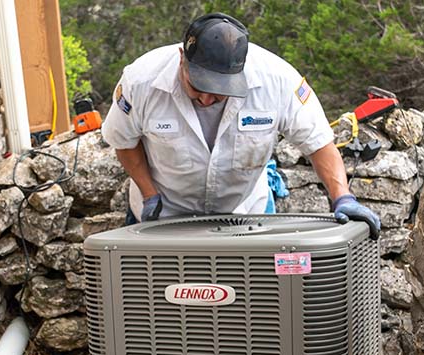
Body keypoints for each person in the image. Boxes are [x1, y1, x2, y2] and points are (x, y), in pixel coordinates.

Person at [101, 12, 381, 239]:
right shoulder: (141, 81)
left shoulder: (277, 80)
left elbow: (319, 143)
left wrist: (342, 197)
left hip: (248, 215)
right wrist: (149, 194)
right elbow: (124, 141)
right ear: (181, 60)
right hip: (164, 218)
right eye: (197, 86)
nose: (207, 98)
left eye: (219, 89)